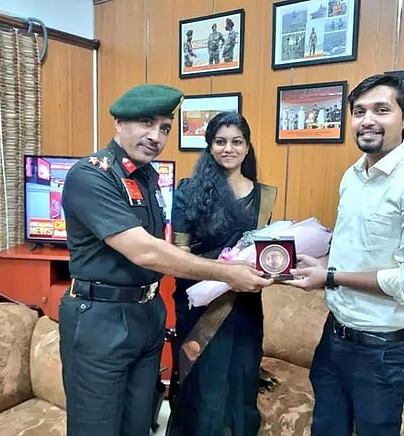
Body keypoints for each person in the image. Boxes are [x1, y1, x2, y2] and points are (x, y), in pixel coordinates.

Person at [58, 85, 273, 436]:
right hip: (101, 319)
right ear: (119, 123)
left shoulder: (148, 177)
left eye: (165, 128)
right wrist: (227, 272)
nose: (155, 136)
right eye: (146, 123)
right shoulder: (92, 175)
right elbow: (145, 250)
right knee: (96, 427)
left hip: (147, 315)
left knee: (138, 424)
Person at [286, 74, 404, 436]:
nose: (367, 120)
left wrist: (330, 277)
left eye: (381, 110)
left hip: (381, 351)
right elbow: (357, 250)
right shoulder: (352, 176)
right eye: (359, 111)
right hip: (334, 337)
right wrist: (323, 264)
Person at [167, 111, 278, 436]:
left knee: (241, 383)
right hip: (200, 307)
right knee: (204, 389)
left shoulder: (263, 196)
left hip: (244, 309)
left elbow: (262, 252)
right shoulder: (189, 192)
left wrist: (272, 270)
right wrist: (224, 273)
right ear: (210, 146)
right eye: (220, 141)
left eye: (236, 142)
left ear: (247, 147)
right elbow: (178, 257)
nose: (228, 148)